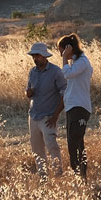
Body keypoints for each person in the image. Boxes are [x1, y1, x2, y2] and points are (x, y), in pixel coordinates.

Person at [25, 41, 66, 176]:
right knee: (37, 149)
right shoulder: (32, 72)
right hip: (34, 115)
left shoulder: (56, 72)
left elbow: (64, 94)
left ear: (44, 56)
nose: (35, 59)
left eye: (37, 56)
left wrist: (55, 115)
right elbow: (28, 92)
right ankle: (43, 176)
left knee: (52, 146)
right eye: (33, 56)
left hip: (48, 116)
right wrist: (28, 93)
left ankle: (58, 174)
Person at [57, 33, 93, 179]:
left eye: (61, 50)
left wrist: (64, 58)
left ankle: (81, 175)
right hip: (73, 107)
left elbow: (67, 74)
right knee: (76, 144)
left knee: (75, 144)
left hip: (79, 107)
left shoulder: (82, 62)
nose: (60, 54)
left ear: (68, 48)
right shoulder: (76, 63)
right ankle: (80, 176)